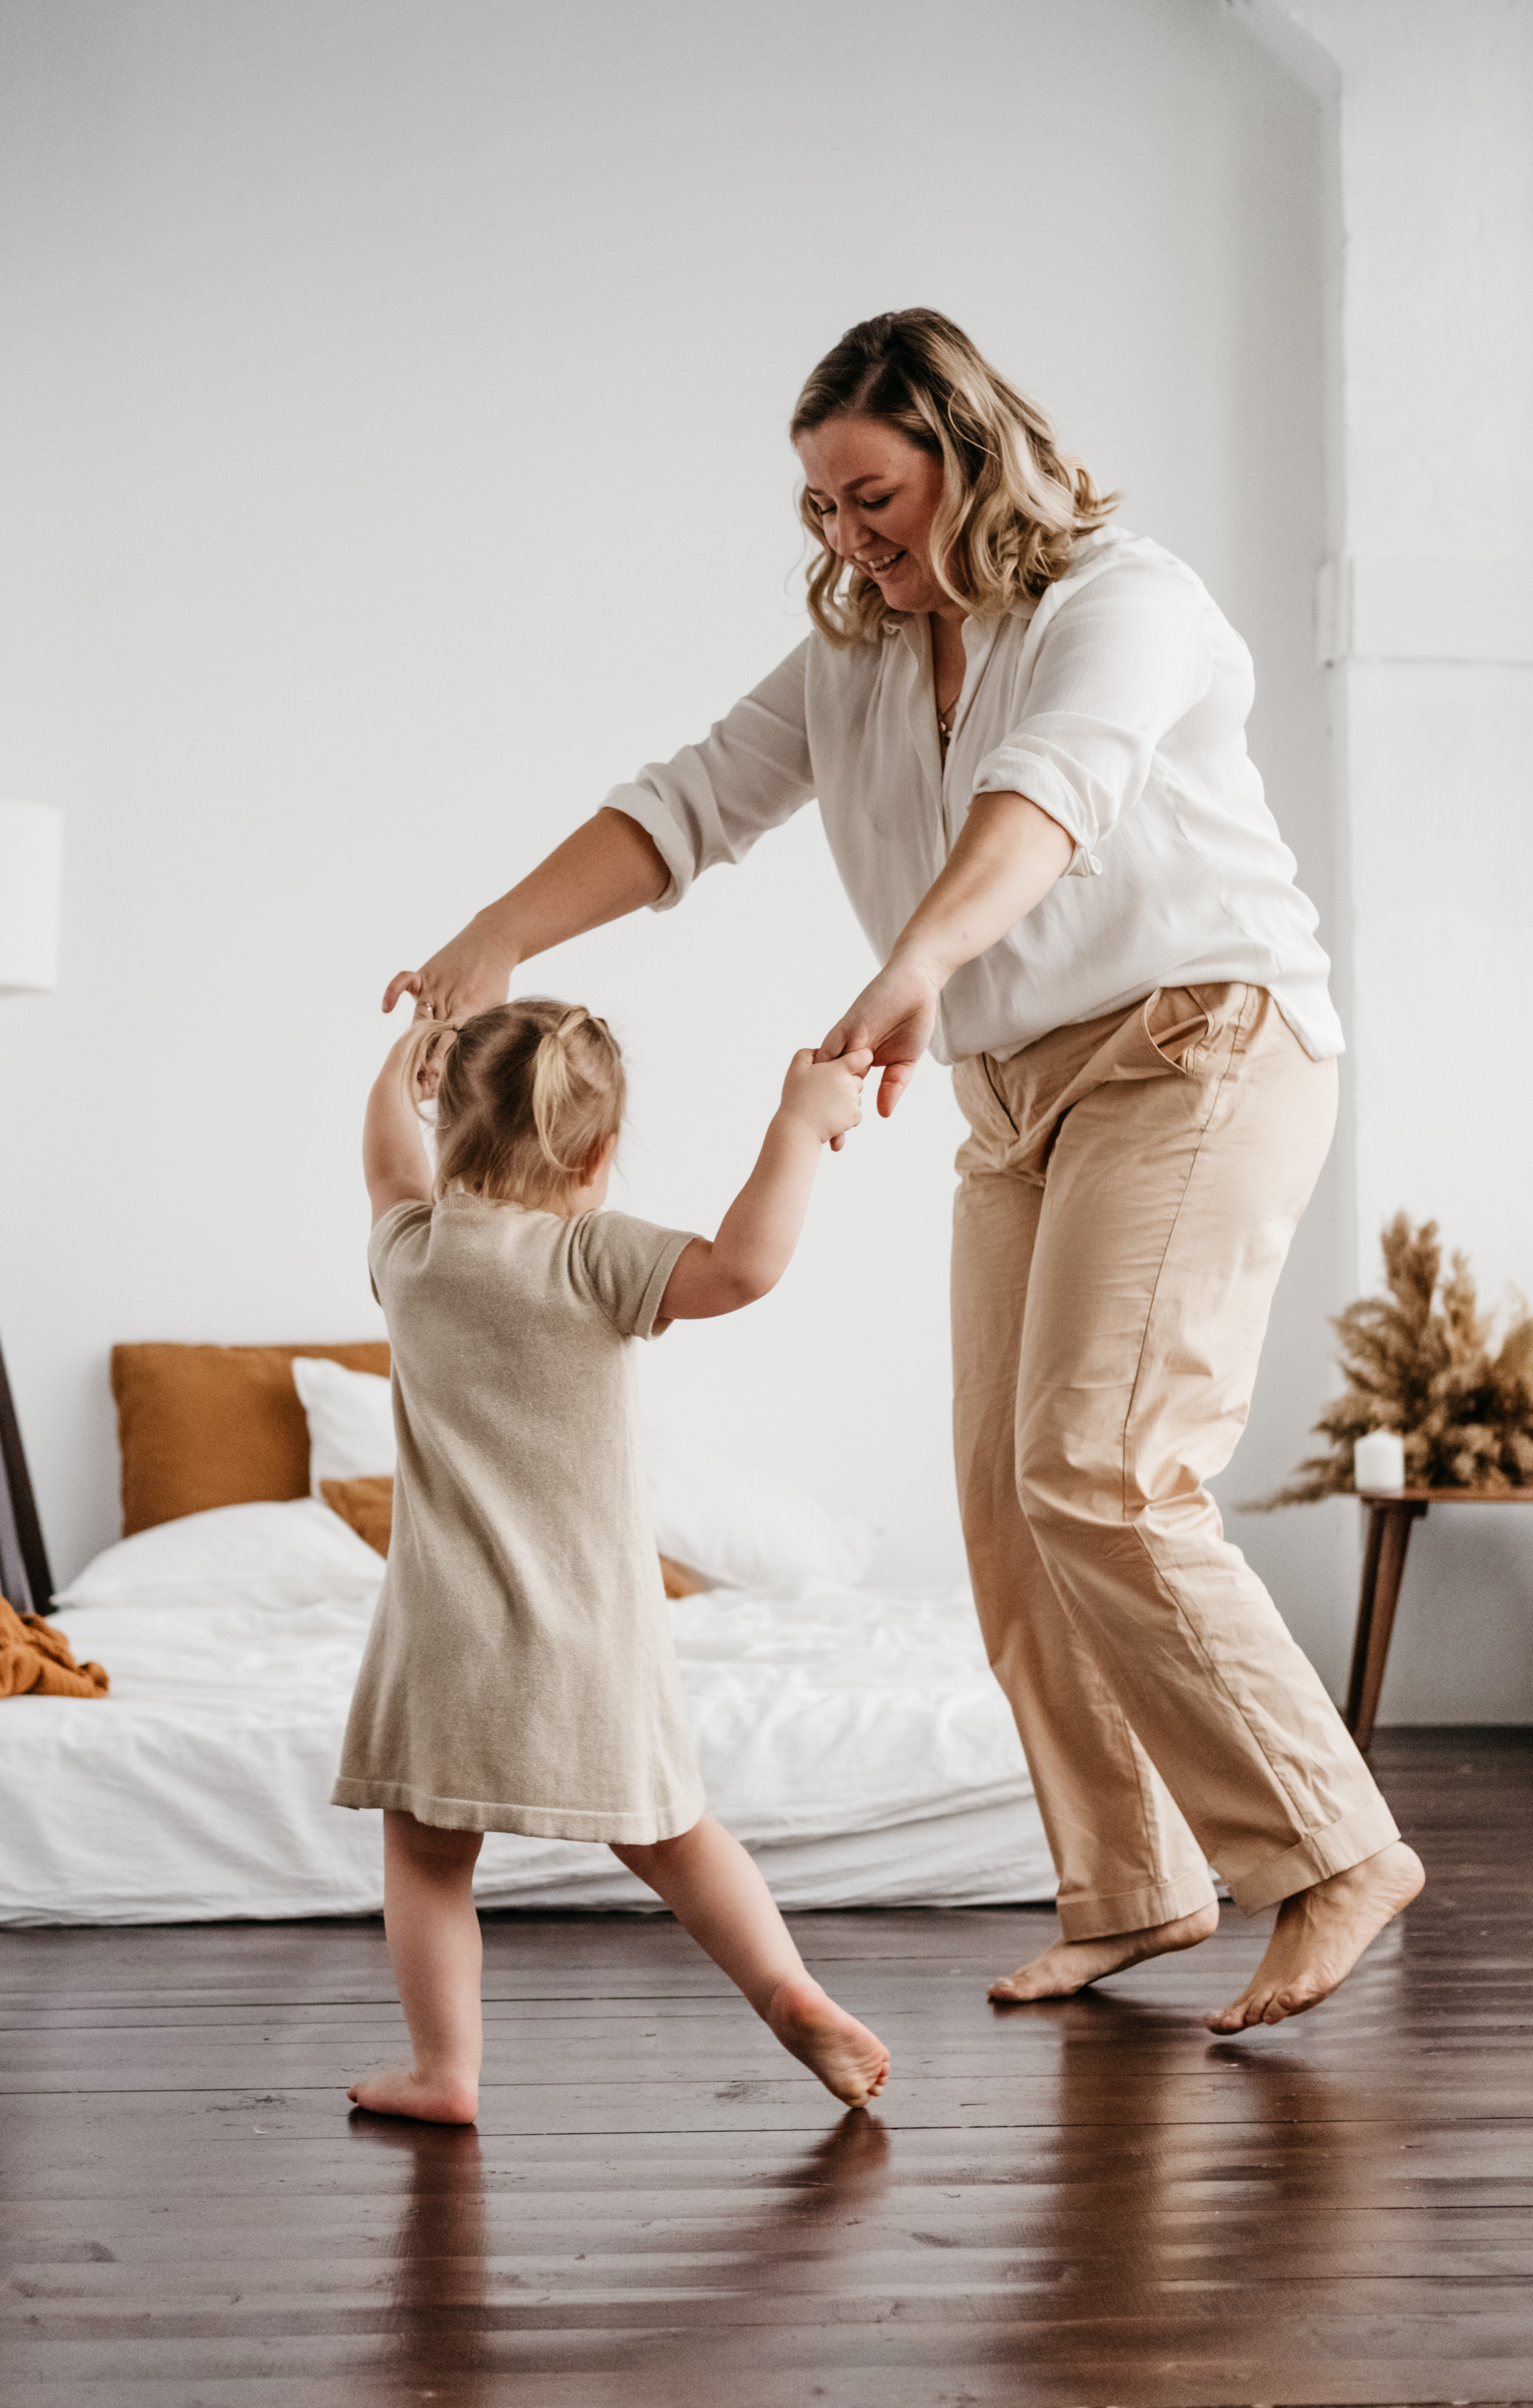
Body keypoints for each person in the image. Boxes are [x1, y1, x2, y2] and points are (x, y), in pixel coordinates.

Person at [386, 309, 1424, 2036]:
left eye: (871, 496)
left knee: (1099, 1468)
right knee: (1008, 1505)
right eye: (819, 506)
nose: (846, 535)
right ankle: (1130, 1886)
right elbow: (689, 803)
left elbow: (1049, 796)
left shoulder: (1122, 603)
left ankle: (1334, 1849)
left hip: (1196, 1046)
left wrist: (916, 962)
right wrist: (497, 932)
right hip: (1012, 1095)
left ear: (970, 453)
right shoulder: (856, 654)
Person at [335, 994, 889, 2120]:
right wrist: (795, 1125)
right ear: (595, 1154)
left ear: (447, 1125)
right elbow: (743, 1269)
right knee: (672, 1833)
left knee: (428, 1860)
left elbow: (387, 1169)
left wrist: (400, 1063)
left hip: (444, 1642)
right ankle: (785, 1990)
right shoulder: (595, 1260)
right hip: (592, 1638)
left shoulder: (414, 1251)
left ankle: (444, 2072)